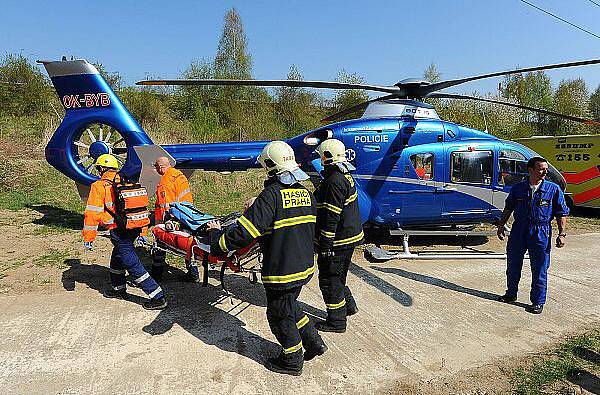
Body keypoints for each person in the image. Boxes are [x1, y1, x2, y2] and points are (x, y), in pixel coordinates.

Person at [207, 141, 327, 376]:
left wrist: (216, 240)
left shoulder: (270, 196)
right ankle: (314, 342)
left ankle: (292, 359)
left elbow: (244, 233)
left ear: (270, 166)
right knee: (291, 305)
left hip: (282, 269)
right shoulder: (305, 193)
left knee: (278, 314)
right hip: (303, 266)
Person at [83, 154, 167, 310]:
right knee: (118, 256)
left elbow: (92, 213)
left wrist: (89, 237)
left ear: (101, 169)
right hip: (134, 227)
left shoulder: (99, 186)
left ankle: (157, 295)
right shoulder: (127, 180)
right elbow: (139, 207)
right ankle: (118, 289)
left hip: (118, 229)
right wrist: (142, 232)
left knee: (131, 262)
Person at [496, 156, 569, 314]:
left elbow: (561, 212)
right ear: (530, 170)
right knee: (513, 264)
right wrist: (501, 225)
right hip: (519, 230)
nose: (545, 172)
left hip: (540, 232)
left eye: (546, 169)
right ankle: (511, 294)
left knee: (540, 268)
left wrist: (562, 233)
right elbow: (508, 208)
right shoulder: (518, 188)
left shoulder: (553, 189)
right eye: (541, 169)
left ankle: (537, 301)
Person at [313, 139, 364, 333]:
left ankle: (336, 321)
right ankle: (348, 307)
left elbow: (331, 216)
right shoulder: (343, 174)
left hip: (338, 240)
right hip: (349, 237)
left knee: (329, 279)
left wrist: (325, 245)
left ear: (326, 157)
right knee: (339, 275)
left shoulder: (334, 181)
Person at [151, 156, 196, 282]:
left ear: (160, 167)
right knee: (188, 244)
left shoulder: (165, 182)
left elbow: (165, 205)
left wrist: (160, 224)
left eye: (156, 167)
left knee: (160, 245)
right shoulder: (179, 175)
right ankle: (193, 273)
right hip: (187, 215)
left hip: (172, 218)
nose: (156, 170)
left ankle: (156, 275)